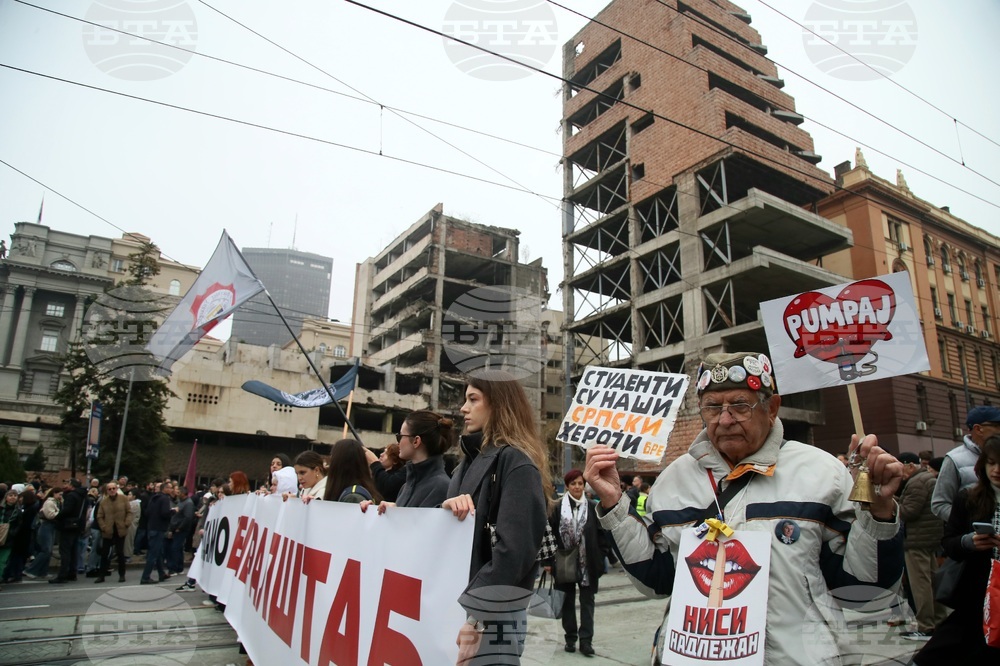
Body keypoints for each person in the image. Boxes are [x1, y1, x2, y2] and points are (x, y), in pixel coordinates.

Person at [583, 351, 905, 665]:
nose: (725, 419)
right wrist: (614, 503)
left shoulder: (822, 473)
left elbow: (865, 588)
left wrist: (878, 514)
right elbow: (656, 580)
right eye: (712, 407)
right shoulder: (673, 480)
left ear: (772, 408)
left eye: (740, 405)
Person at [442, 370, 551, 666]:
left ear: (499, 405)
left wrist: (477, 618)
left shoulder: (516, 463)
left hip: (493, 615)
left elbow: (512, 551)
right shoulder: (466, 464)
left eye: (473, 399)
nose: (463, 408)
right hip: (461, 606)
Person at [914, 435, 1000, 662]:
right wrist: (968, 542)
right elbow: (949, 542)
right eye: (991, 463)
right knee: (943, 649)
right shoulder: (969, 498)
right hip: (977, 589)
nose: (996, 470)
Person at [544, 469, 608, 656]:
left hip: (588, 562)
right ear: (567, 486)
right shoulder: (556, 508)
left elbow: (602, 533)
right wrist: (548, 561)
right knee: (567, 601)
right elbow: (549, 535)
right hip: (564, 560)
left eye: (580, 483)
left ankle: (586, 641)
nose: (577, 487)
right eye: (573, 484)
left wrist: (602, 554)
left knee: (588, 602)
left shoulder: (593, 507)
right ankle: (570, 638)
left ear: (584, 485)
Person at [894, 452, 948, 640]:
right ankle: (940, 620)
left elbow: (908, 512)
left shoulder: (917, 482)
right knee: (932, 581)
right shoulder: (927, 478)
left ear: (909, 465)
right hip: (929, 539)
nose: (900, 473)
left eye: (900, 467)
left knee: (920, 584)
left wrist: (891, 500)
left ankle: (925, 625)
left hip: (917, 540)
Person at [362, 410, 454, 513]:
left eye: (400, 436)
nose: (398, 442)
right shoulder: (407, 486)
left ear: (416, 441)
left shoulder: (440, 486)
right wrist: (383, 512)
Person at [932, 405, 1000, 522]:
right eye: (997, 426)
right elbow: (939, 504)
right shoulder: (955, 459)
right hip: (975, 537)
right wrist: (969, 525)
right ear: (978, 429)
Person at [94, 481, 133, 584]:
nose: (112, 490)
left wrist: (127, 523)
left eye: (113, 488)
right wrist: (103, 527)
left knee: (120, 553)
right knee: (104, 554)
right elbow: (99, 516)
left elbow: (129, 512)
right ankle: (101, 575)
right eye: (109, 489)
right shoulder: (104, 502)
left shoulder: (123, 499)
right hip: (108, 530)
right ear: (107, 491)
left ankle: (122, 575)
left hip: (120, 529)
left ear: (116, 489)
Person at [50, 479, 87, 584]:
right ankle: (72, 573)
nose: (65, 486)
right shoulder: (83, 496)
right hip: (78, 526)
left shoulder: (71, 496)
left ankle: (63, 575)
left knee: (65, 551)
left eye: (67, 484)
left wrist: (57, 517)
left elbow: (67, 510)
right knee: (74, 550)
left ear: (72, 486)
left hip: (68, 525)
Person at [140, 482, 174, 585]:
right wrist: (173, 511)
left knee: (158, 552)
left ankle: (161, 573)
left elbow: (147, 512)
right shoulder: (165, 499)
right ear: (165, 489)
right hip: (159, 528)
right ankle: (145, 577)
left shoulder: (154, 498)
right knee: (153, 554)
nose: (171, 490)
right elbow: (164, 513)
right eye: (170, 488)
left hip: (151, 527)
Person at [24, 488, 60, 579]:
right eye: (60, 494)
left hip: (51, 526)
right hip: (46, 526)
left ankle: (43, 571)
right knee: (46, 550)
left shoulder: (56, 502)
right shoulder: (49, 502)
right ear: (54, 493)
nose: (61, 496)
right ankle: (31, 569)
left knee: (48, 550)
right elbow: (50, 515)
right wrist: (60, 513)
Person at [0, 490, 23, 577]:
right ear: (6, 497)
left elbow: (19, 525)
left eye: (15, 495)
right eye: (10, 495)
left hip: (9, 538)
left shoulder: (18, 511)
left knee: (2, 561)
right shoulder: (1, 509)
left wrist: (12, 533)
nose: (13, 497)